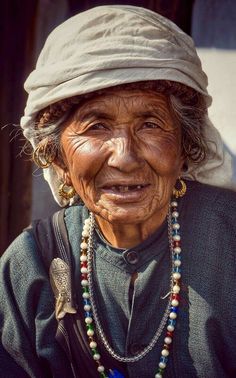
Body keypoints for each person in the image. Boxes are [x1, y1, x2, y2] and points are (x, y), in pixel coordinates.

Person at [0, 5, 236, 378]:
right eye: (95, 126)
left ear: (185, 147)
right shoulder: (30, 265)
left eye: (150, 124)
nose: (125, 158)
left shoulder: (230, 241)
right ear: (56, 156)